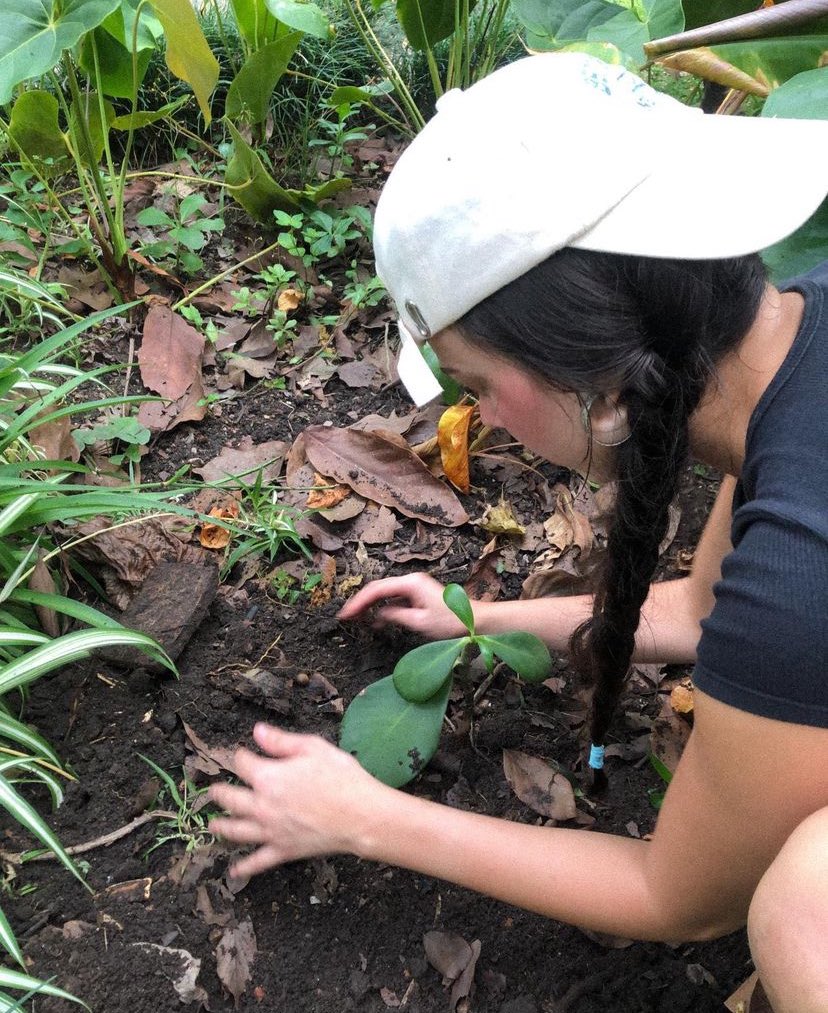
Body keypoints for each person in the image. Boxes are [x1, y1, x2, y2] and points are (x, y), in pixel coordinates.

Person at [210, 54, 828, 1011]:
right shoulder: (798, 331)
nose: (482, 422)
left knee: (801, 915)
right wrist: (482, 617)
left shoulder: (803, 569)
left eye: (476, 384)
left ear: (595, 376)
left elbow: (677, 896)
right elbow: (712, 613)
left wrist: (367, 816)